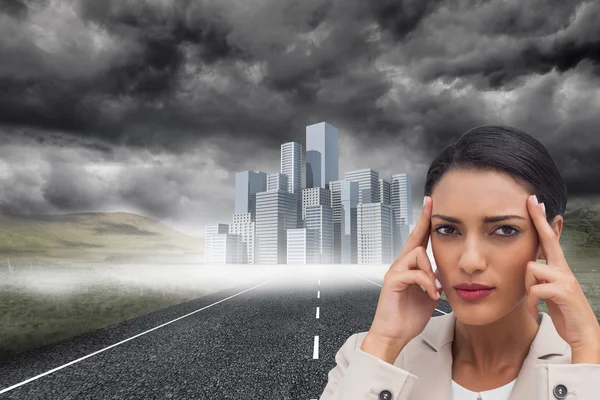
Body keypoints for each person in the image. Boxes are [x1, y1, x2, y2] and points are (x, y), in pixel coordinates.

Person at [318, 125, 600, 400]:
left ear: (550, 234)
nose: (470, 261)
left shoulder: (589, 360)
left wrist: (588, 351)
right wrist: (385, 342)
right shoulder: (367, 357)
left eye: (505, 230)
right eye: (448, 230)